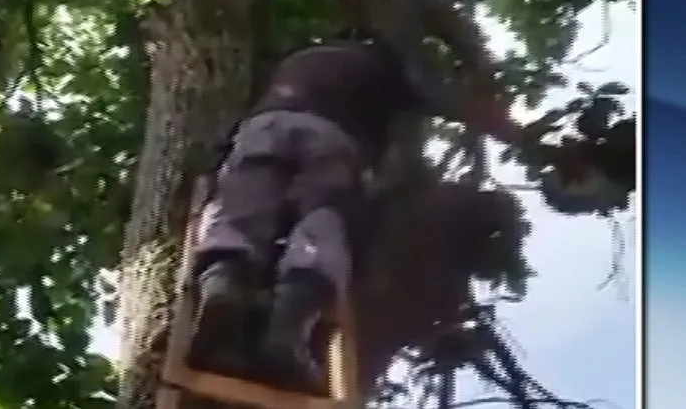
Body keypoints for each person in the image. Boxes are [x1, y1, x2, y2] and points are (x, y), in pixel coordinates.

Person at [185, 28, 523, 394]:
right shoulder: (380, 65)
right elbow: (435, 96)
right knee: (322, 224)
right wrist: (505, 126)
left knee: (241, 213)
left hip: (262, 127)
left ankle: (223, 291)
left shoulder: (298, 61)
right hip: (330, 137)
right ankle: (287, 331)